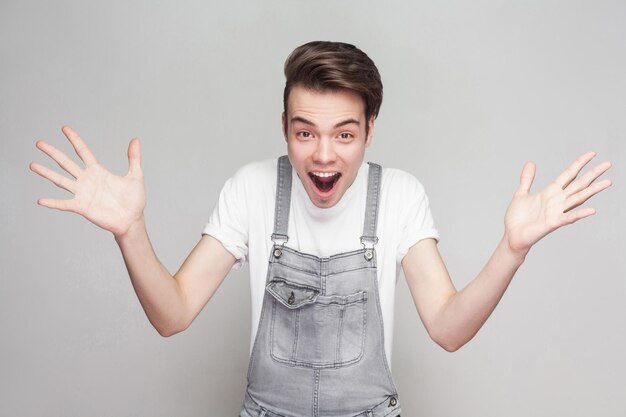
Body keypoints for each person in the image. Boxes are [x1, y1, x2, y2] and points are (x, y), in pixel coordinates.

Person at [30, 41, 612, 417]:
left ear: (370, 130)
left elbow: (448, 328)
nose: (324, 156)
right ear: (284, 127)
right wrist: (129, 231)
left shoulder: (400, 195)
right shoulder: (253, 187)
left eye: (345, 134)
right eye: (305, 132)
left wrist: (511, 250)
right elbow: (173, 313)